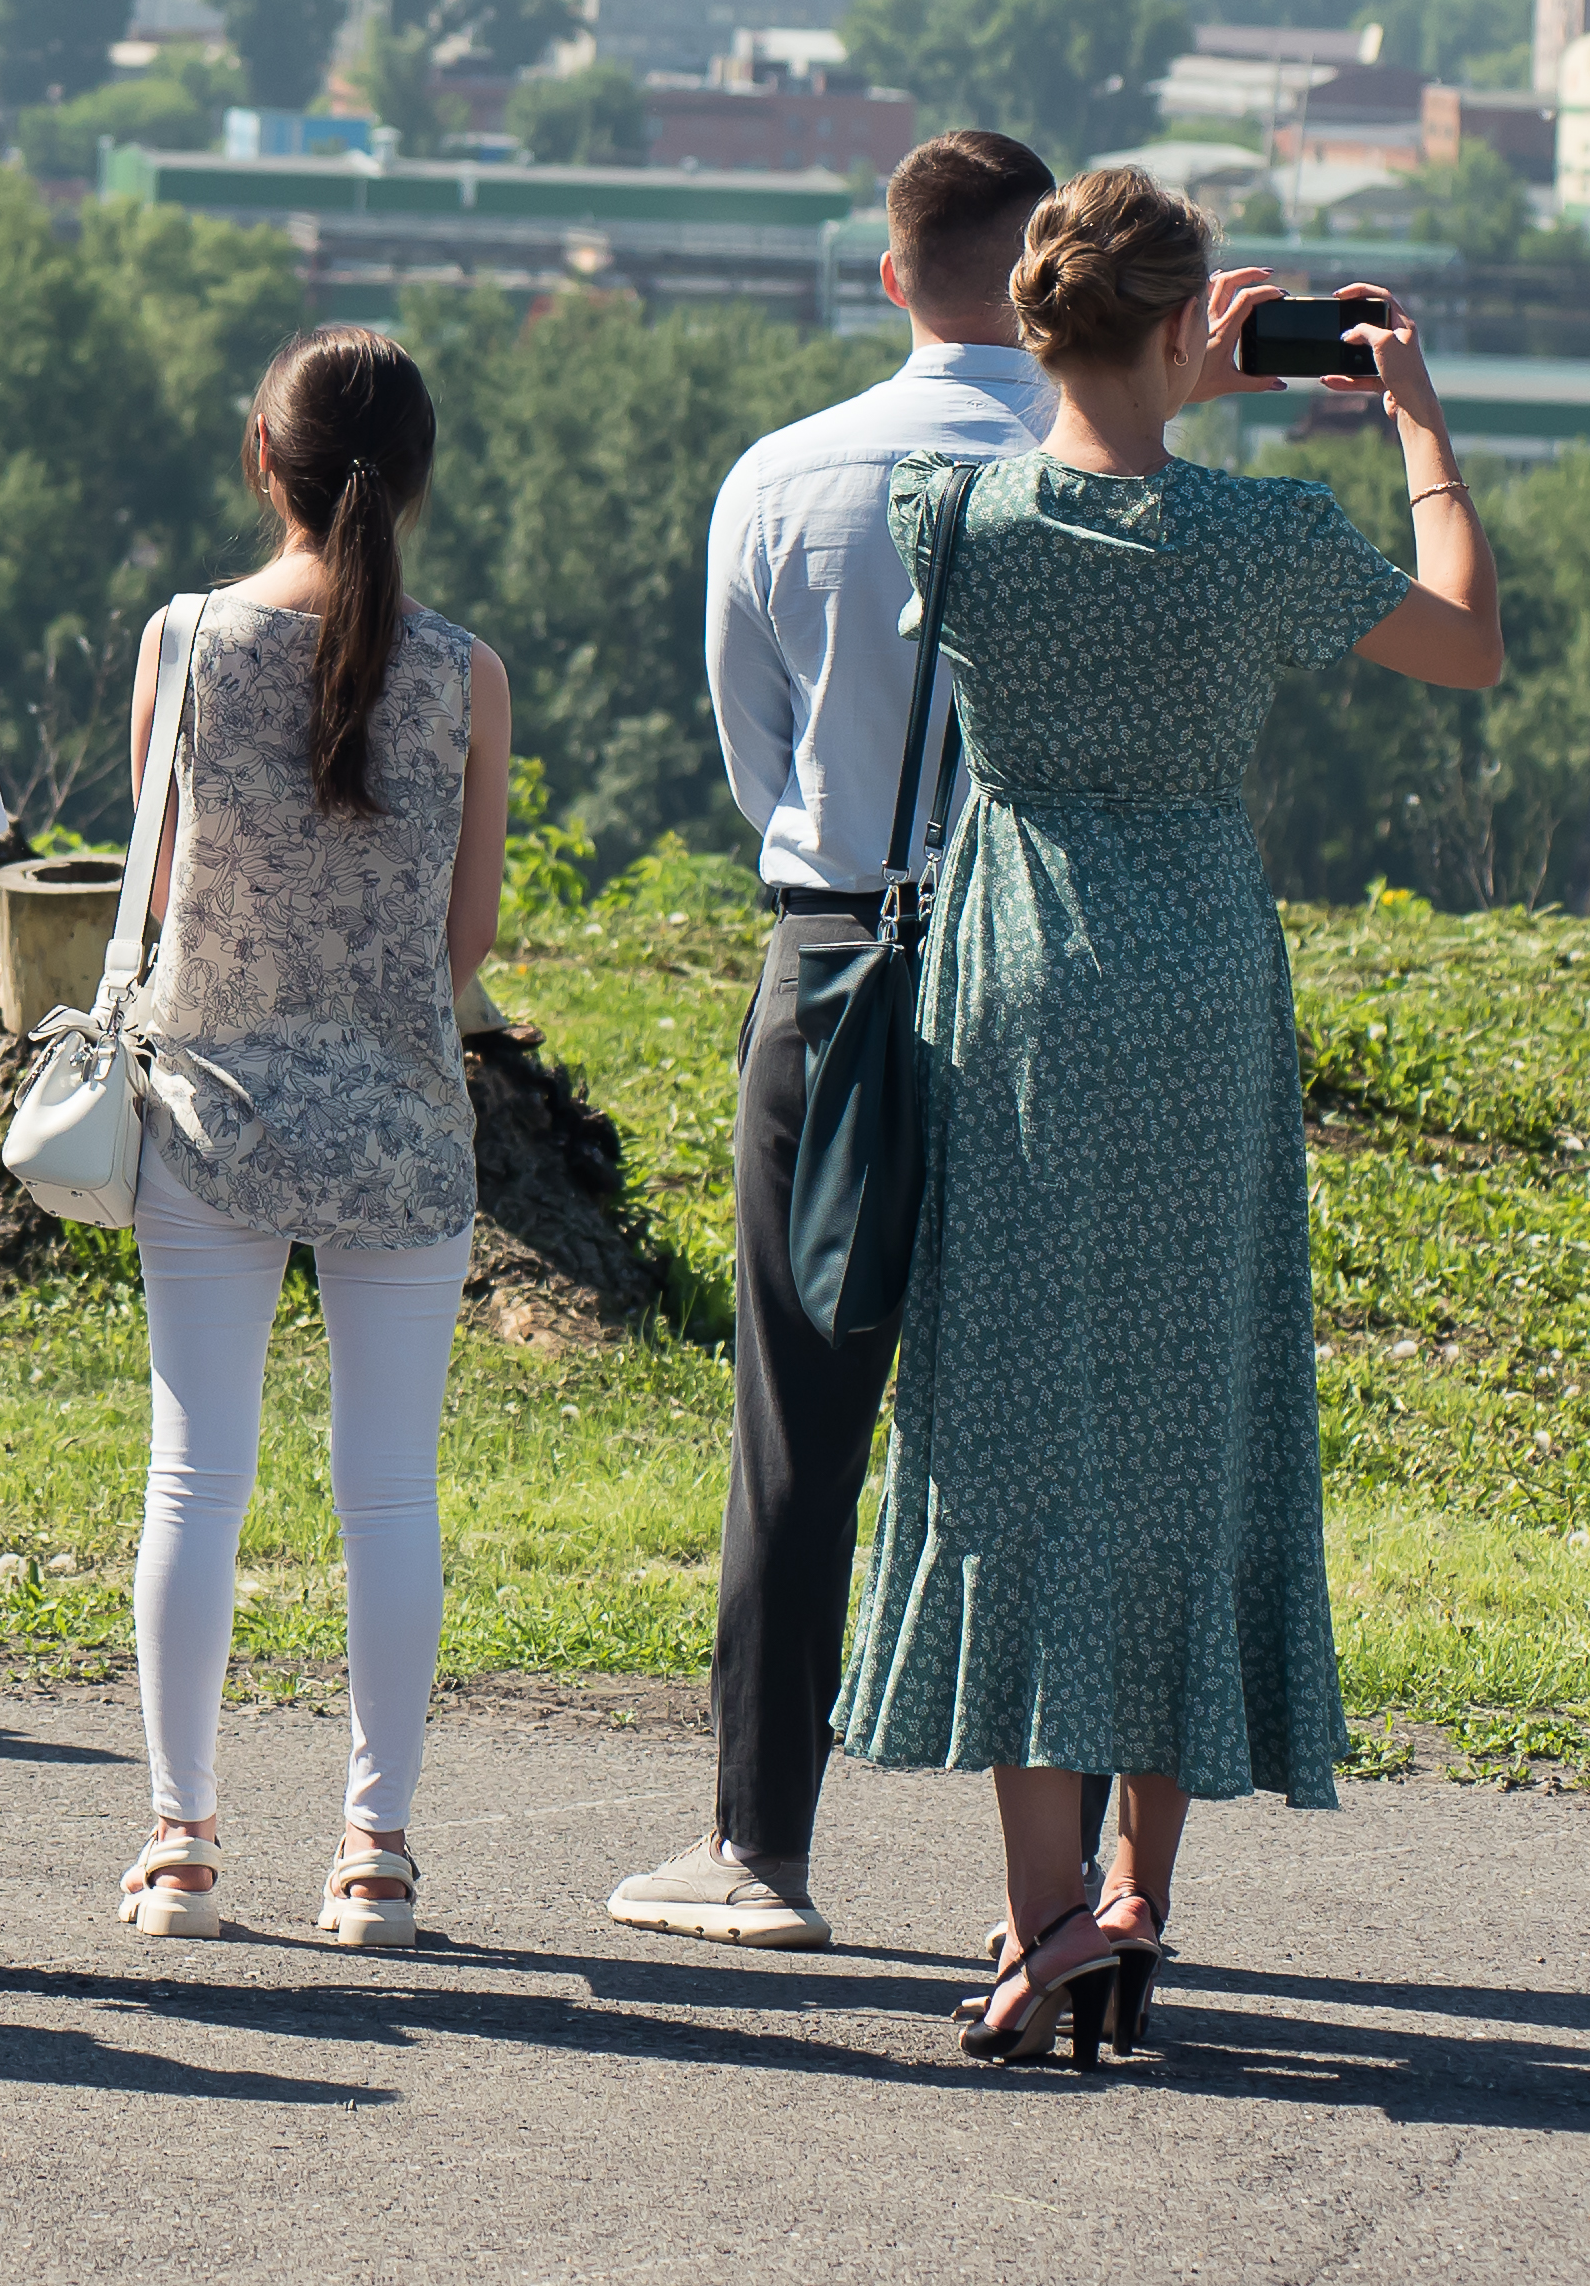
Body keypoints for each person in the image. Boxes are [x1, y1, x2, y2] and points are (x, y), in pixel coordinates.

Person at [834, 167, 1499, 2064]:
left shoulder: (942, 516)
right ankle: (1137, 1902)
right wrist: (1419, 428)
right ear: (1182, 323)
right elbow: (1464, 641)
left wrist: (1151, 384)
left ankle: (1045, 1926)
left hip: (1015, 986)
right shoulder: (1262, 542)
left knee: (1019, 1428)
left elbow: (1073, 465)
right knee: (1186, 1424)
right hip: (1198, 988)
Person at [613, 126, 1059, 1952]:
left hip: (831, 950)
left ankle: (759, 1846)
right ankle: (1061, 1883)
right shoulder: (1086, 478)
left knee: (797, 1415)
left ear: (892, 274)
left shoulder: (781, 475)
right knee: (1046, 1425)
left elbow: (756, 752)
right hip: (1037, 976)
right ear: (1050, 277)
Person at [112, 327, 509, 1956]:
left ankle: (184, 1847)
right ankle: (374, 1855)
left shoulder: (186, 643)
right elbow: (464, 947)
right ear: (413, 480)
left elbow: (151, 896)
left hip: (208, 1112)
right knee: (389, 1500)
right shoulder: (465, 672)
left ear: (258, 462)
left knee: (195, 1477)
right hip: (405, 1124)